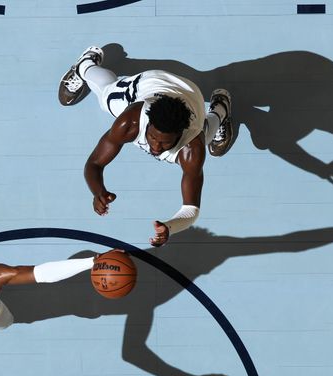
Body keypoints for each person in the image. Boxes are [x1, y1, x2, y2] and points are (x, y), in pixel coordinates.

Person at [59, 46, 233, 247]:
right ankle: (85, 65)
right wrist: (98, 191)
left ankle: (221, 107)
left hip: (191, 95)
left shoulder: (191, 148)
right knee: (106, 94)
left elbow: (191, 209)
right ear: (147, 124)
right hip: (151, 84)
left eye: (165, 143)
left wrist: (170, 227)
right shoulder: (130, 122)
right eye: (152, 138)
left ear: (180, 134)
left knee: (205, 135)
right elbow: (95, 163)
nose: (156, 148)